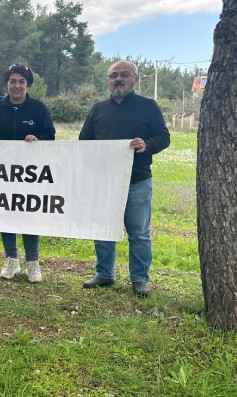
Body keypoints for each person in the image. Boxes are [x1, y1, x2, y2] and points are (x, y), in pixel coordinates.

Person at [79, 60, 170, 297]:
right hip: (104, 182)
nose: (118, 79)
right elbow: (83, 144)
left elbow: (164, 137)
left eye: (124, 75)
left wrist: (147, 145)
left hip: (137, 181)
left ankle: (140, 279)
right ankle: (104, 273)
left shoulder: (148, 107)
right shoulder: (98, 110)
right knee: (103, 229)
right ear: (108, 80)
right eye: (113, 76)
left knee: (138, 232)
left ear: (136, 79)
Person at [0, 63, 55, 282]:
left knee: (29, 215)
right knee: (6, 215)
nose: (17, 85)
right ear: (6, 84)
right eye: (13, 81)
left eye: (21, 81)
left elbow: (50, 135)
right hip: (2, 173)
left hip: (30, 174)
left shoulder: (39, 108)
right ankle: (11, 258)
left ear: (28, 84)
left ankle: (33, 262)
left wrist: (37, 138)